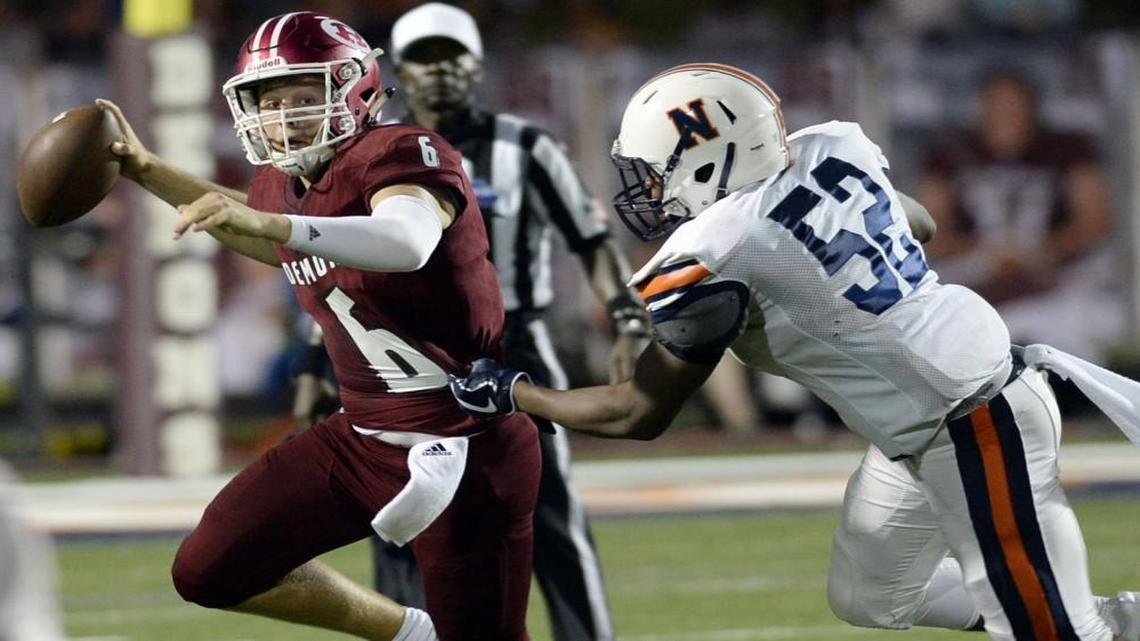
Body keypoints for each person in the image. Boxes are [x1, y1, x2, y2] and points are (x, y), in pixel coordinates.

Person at [449, 63, 1140, 641]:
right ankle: (1082, 616)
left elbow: (638, 411)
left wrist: (517, 392)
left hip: (976, 424)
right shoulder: (832, 145)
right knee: (871, 594)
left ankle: (1065, 620)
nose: (650, 191)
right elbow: (921, 222)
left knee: (1056, 635)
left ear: (708, 154)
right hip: (930, 419)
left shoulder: (715, 247)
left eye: (659, 171)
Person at [101, 11, 541, 641]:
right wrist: (145, 169)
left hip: (467, 440)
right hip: (360, 435)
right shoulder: (283, 183)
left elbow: (406, 239)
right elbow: (273, 240)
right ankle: (408, 632)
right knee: (209, 569)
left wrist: (274, 225)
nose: (283, 115)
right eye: (269, 100)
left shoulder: (401, 150)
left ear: (356, 89)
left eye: (304, 97)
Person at [291, 6, 635, 640]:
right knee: (397, 513)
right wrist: (316, 359)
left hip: (513, 344)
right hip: (394, 349)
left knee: (548, 511)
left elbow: (590, 240)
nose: (438, 69)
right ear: (396, 72)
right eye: (423, 57)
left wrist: (627, 318)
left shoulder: (526, 145)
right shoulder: (362, 155)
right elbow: (333, 266)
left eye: (452, 55)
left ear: (476, 66)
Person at [918, 70, 1121, 364]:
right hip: (973, 278)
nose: (1006, 114)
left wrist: (1040, 252)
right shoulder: (949, 153)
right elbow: (929, 230)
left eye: (1014, 105)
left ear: (1032, 108)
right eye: (997, 104)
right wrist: (984, 255)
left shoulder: (1067, 148)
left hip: (1057, 281)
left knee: (1098, 320)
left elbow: (1095, 220)